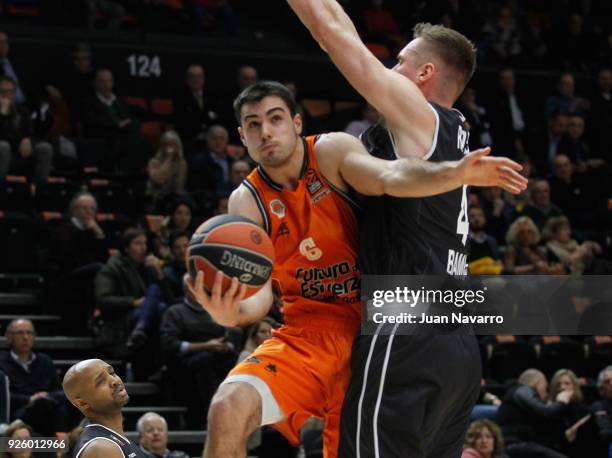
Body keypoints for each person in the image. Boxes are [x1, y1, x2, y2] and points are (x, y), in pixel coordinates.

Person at [188, 81, 526, 458]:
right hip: (306, 337)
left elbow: (388, 177)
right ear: (242, 137)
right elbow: (260, 297)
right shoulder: (246, 201)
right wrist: (228, 312)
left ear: (297, 123)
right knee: (227, 407)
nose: (265, 131)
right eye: (253, 124)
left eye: (275, 118)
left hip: (375, 335)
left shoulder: (331, 151)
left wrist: (454, 174)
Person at [286, 3, 526, 456]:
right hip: (457, 338)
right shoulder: (453, 135)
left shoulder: (421, 115)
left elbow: (333, 32)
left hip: (406, 324)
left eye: (399, 62)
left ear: (425, 74)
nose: (390, 69)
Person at [0, 319, 74, 436]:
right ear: (9, 337)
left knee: (60, 409)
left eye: (29, 333)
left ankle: (57, 451)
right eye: (20, 333)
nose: (25, 337)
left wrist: (46, 397)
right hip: (19, 410)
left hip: (46, 406)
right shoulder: (2, 361)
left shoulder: (44, 360)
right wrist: (30, 399)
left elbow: (58, 389)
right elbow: (4, 396)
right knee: (38, 409)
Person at [63, 359, 146, 458]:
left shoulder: (112, 438)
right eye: (101, 381)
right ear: (82, 403)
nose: (115, 380)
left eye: (112, 373)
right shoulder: (100, 448)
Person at [145, 130, 188, 213]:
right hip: (156, 198)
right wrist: (168, 160)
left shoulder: (182, 164)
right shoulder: (154, 162)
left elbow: (179, 186)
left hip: (174, 198)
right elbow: (159, 180)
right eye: (167, 144)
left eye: (173, 145)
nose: (170, 148)